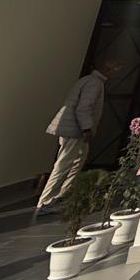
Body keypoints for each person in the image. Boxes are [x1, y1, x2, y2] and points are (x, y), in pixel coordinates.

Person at [35, 59, 120, 215]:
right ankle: (46, 201)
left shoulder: (87, 80)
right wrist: (87, 128)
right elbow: (84, 107)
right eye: (114, 68)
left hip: (72, 127)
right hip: (75, 129)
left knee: (77, 160)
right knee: (64, 163)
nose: (115, 71)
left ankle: (62, 195)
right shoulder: (94, 83)